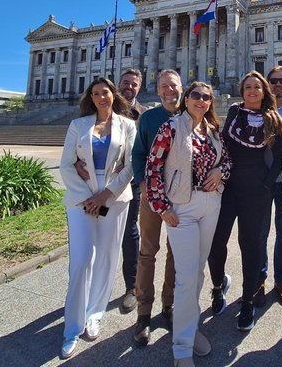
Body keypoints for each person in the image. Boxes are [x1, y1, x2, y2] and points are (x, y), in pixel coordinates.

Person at [145, 82, 232, 367]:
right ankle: (181, 348)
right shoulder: (171, 127)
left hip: (211, 205)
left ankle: (191, 327)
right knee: (185, 276)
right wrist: (161, 207)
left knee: (197, 270)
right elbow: (153, 167)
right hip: (181, 208)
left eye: (206, 97)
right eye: (196, 95)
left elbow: (227, 162)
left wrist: (220, 171)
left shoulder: (213, 131)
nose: (202, 100)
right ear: (186, 98)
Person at [58, 77, 137, 359]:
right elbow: (66, 164)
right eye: (96, 94)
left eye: (105, 92)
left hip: (113, 196)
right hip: (81, 196)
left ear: (113, 95)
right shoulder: (78, 125)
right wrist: (87, 197)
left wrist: (105, 195)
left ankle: (95, 314)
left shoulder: (127, 125)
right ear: (90, 98)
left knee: (106, 257)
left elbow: (131, 165)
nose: (101, 97)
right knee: (81, 261)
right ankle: (72, 326)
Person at [207, 71, 282, 331]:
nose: (252, 91)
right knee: (216, 241)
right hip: (228, 187)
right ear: (242, 92)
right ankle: (218, 286)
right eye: (248, 87)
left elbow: (280, 158)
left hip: (256, 192)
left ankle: (248, 302)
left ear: (264, 91)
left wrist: (266, 186)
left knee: (250, 246)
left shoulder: (273, 119)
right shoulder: (233, 112)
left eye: (257, 87)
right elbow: (224, 146)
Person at [74, 69, 147, 313]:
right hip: (95, 185)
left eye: (134, 84)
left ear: (139, 87)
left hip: (129, 185)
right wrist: (75, 160)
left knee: (129, 233)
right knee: (93, 236)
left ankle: (131, 287)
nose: (129, 87)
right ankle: (90, 290)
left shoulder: (143, 115)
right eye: (125, 82)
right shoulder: (99, 111)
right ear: (118, 85)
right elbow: (80, 144)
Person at [131, 69, 182, 345]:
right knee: (147, 252)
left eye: (172, 85)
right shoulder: (149, 118)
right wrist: (142, 184)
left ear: (180, 87)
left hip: (181, 197)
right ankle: (143, 313)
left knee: (176, 253)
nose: (168, 90)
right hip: (152, 195)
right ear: (158, 89)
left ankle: (169, 305)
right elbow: (137, 153)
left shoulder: (190, 115)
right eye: (163, 86)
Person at [254, 66, 282, 309]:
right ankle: (260, 280)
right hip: (261, 180)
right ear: (268, 83)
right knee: (260, 234)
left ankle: (281, 281)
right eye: (273, 81)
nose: (278, 85)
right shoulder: (258, 108)